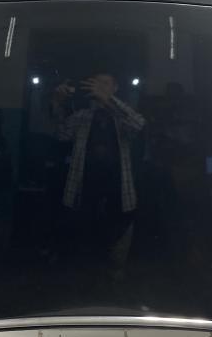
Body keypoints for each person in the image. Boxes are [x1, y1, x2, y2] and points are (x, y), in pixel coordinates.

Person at [52, 74, 145, 278]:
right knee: (85, 235)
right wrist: (57, 104)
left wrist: (108, 100)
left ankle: (115, 277)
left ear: (116, 88)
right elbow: (61, 134)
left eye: (105, 83)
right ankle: (86, 278)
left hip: (118, 188)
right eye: (96, 83)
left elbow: (138, 124)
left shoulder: (121, 116)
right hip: (85, 186)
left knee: (119, 230)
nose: (100, 86)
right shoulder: (83, 115)